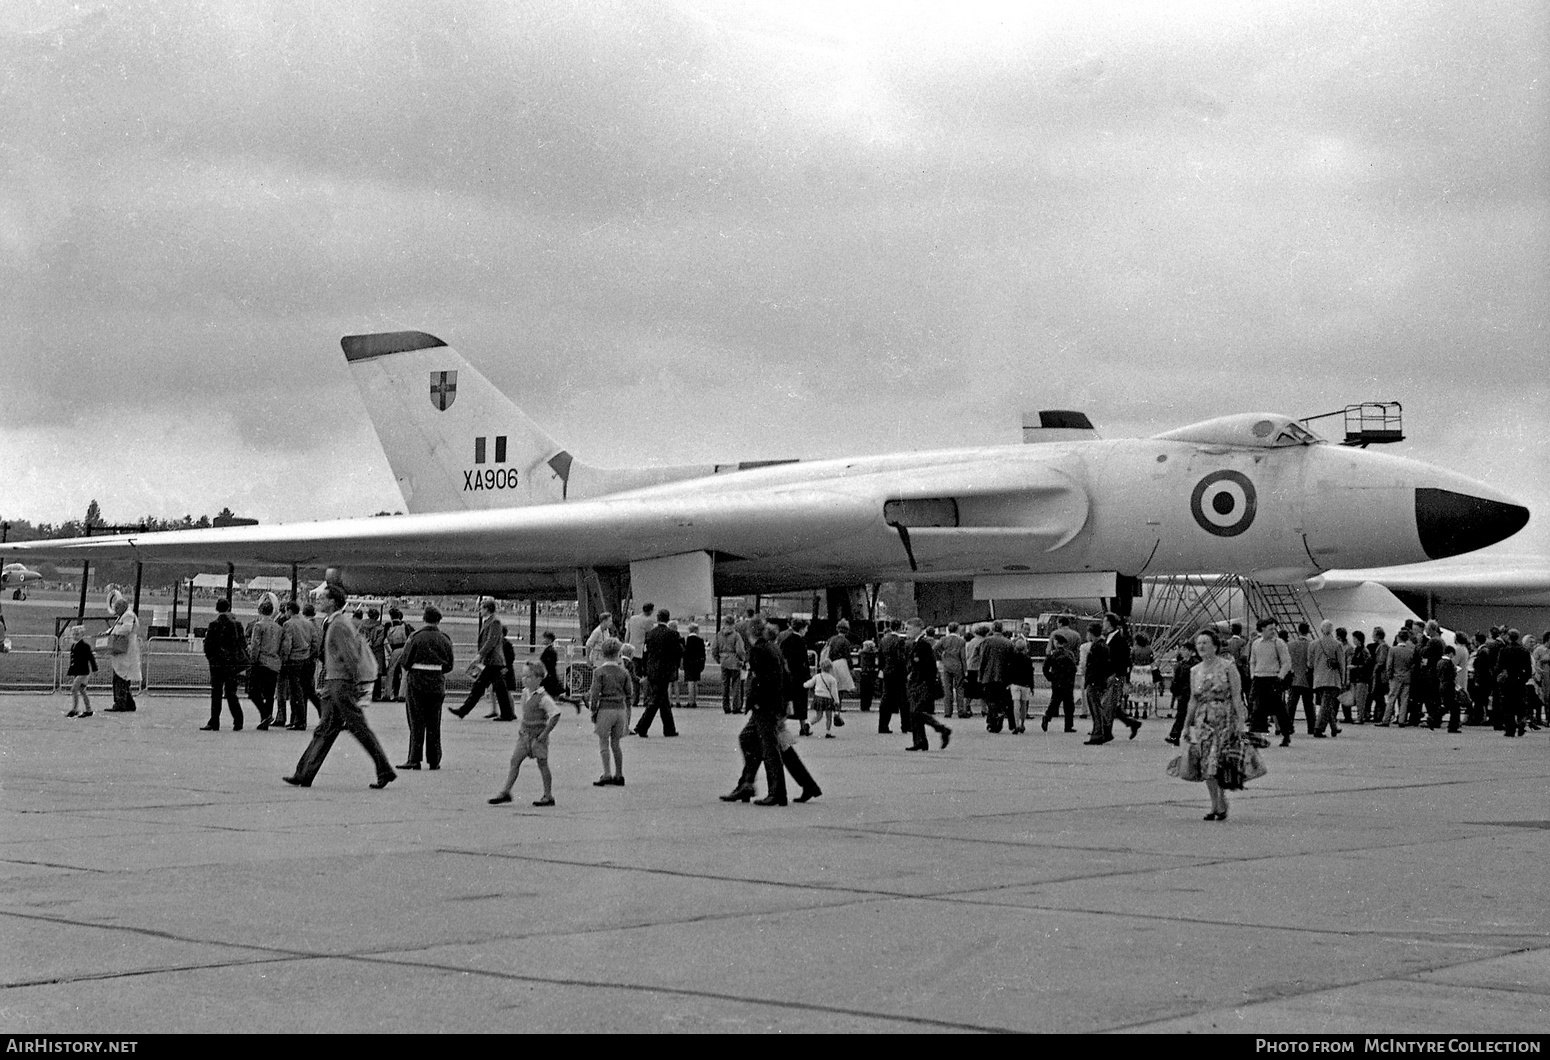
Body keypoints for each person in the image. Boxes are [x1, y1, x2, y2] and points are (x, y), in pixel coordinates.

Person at [284, 584, 397, 790]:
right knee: (325, 729)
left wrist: (354, 684)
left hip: (341, 685)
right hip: (335, 683)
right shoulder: (335, 622)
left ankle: (385, 769)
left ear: (333, 602)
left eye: (323, 598)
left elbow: (351, 657)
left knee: (355, 728)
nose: (319, 601)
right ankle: (304, 773)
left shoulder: (339, 624)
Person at [721, 619, 821, 806]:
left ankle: (773, 792)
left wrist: (756, 702)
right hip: (775, 705)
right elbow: (785, 676)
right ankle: (749, 784)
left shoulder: (759, 650)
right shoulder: (773, 648)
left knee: (768, 749)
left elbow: (761, 680)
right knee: (765, 744)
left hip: (765, 706)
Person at [1181, 628, 1254, 821]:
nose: (1201, 646)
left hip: (1225, 718)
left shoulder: (1228, 667)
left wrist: (1241, 723)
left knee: (1220, 763)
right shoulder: (1194, 671)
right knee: (1207, 764)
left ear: (1215, 646)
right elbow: (1193, 700)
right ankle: (1215, 803)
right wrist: (1186, 726)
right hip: (1203, 721)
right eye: (1199, 643)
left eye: (1205, 642)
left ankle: (1221, 801)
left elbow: (1237, 697)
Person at [487, 661, 563, 806]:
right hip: (524, 735)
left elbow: (555, 714)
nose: (524, 679)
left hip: (538, 737)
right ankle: (506, 791)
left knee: (542, 763)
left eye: (529, 676)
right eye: (523, 676)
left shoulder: (544, 698)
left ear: (539, 679)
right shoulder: (525, 693)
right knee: (515, 761)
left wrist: (545, 733)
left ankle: (548, 795)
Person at [397, 605, 454, 770]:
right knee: (434, 722)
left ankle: (414, 758)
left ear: (424, 618)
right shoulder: (445, 639)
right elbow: (449, 665)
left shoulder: (415, 637)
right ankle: (434, 759)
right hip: (437, 682)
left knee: (416, 722)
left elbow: (405, 660)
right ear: (439, 620)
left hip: (417, 681)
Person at [449, 599, 515, 721]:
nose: (479, 610)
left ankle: (464, 711)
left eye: (481, 608)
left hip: (493, 661)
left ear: (487, 609)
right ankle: (507, 713)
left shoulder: (494, 622)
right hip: (492, 661)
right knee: (495, 688)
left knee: (481, 687)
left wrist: (480, 655)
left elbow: (491, 641)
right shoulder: (490, 621)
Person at [588, 637, 632, 786]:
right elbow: (629, 692)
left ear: (603, 653)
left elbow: (595, 694)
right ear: (618, 652)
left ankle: (606, 773)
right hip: (620, 709)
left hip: (605, 709)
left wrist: (593, 709)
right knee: (616, 743)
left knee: (603, 742)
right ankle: (619, 774)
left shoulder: (599, 672)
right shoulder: (624, 672)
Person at [634, 609, 683, 737]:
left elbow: (645, 653)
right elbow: (678, 652)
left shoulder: (650, 634)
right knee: (657, 699)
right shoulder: (672, 634)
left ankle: (669, 728)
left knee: (663, 700)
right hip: (665, 671)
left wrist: (645, 669)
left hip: (652, 669)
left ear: (657, 618)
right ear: (668, 619)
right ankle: (642, 726)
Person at [905, 617, 951, 751]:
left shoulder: (923, 644)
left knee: (916, 712)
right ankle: (920, 741)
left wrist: (921, 681)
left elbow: (928, 666)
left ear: (917, 628)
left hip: (923, 683)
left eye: (909, 628)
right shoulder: (917, 643)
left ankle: (942, 729)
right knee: (915, 713)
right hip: (917, 682)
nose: (907, 631)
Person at [201, 597, 245, 730]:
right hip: (231, 663)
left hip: (217, 663)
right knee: (231, 693)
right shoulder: (235, 625)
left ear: (217, 609)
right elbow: (240, 643)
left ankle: (215, 721)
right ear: (228, 608)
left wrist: (211, 659)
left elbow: (208, 645)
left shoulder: (213, 625)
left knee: (216, 693)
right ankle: (238, 721)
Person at [1248, 618, 1293, 746]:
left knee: (1278, 709)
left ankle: (1286, 734)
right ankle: (1258, 736)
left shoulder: (1279, 643)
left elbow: (1286, 662)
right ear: (1262, 629)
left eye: (1274, 629)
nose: (1273, 631)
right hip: (1258, 678)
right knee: (1257, 709)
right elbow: (1252, 660)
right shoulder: (1256, 643)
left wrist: (1280, 677)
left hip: (1273, 678)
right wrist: (1253, 674)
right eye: (1270, 629)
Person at [279, 600, 320, 730]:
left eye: (286, 610)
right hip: (306, 659)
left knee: (295, 691)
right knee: (308, 689)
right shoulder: (308, 624)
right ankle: (301, 718)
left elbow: (287, 645)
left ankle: (300, 721)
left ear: (290, 610)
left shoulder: (288, 624)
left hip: (293, 660)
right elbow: (315, 642)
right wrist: (310, 654)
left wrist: (284, 660)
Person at [1101, 613, 1142, 740]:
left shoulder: (1119, 640)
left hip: (1116, 676)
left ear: (1109, 623)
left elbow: (1124, 661)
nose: (1103, 624)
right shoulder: (1109, 638)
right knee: (1112, 705)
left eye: (1104, 621)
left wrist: (1119, 676)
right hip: (1109, 676)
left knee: (1106, 704)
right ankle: (1132, 723)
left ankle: (1107, 732)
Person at [248, 597, 284, 729]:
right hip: (274, 662)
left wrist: (253, 660)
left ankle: (265, 714)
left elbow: (255, 644)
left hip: (262, 661)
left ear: (260, 611)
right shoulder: (278, 628)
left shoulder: (259, 626)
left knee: (253, 691)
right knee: (269, 694)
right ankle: (266, 717)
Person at [104, 595, 142, 713]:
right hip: (121, 650)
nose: (115, 611)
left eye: (116, 608)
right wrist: (106, 633)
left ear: (122, 607)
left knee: (121, 677)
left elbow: (126, 629)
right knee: (121, 677)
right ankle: (129, 704)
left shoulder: (128, 615)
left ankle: (120, 703)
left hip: (126, 650)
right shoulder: (123, 615)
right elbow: (115, 628)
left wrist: (113, 635)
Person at [977, 622, 1014, 734]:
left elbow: (983, 659)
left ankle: (993, 721)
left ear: (992, 629)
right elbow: (1011, 661)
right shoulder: (1008, 643)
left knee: (990, 699)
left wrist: (980, 675)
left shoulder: (987, 641)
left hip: (989, 675)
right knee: (1002, 699)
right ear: (1002, 629)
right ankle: (999, 717)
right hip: (1003, 676)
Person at [778, 617, 812, 737]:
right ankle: (803, 727)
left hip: (789, 675)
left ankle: (778, 725)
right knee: (801, 703)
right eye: (806, 628)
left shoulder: (786, 640)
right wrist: (808, 676)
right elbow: (804, 661)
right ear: (802, 628)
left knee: (788, 701)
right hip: (800, 676)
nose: (806, 631)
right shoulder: (801, 641)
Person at [1310, 619, 1343, 737]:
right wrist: (1343, 680)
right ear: (1332, 630)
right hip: (1332, 679)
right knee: (1326, 704)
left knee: (1326, 704)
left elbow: (1310, 664)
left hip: (1318, 679)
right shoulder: (1337, 644)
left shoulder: (1313, 644)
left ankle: (1334, 728)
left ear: (1321, 630)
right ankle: (1318, 729)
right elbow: (1341, 664)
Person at [878, 619, 910, 735]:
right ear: (900, 627)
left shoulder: (884, 640)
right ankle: (906, 725)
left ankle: (883, 725)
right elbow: (901, 658)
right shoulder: (900, 641)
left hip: (887, 671)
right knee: (903, 699)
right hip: (899, 673)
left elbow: (880, 657)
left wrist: (882, 669)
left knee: (886, 698)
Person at [1042, 633, 1078, 733]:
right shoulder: (1069, 654)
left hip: (1056, 681)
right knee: (1069, 705)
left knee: (1054, 702)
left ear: (1056, 642)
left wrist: (1050, 677)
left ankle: (1047, 717)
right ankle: (1068, 726)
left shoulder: (1052, 654)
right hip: (1068, 682)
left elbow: (1045, 668)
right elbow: (1074, 668)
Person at [1082, 624, 1112, 745]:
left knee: (1095, 707)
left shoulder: (1097, 647)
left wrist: (1089, 679)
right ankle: (1102, 731)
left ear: (1091, 633)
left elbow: (1094, 666)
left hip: (1095, 680)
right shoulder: (1103, 645)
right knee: (1097, 706)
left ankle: (1098, 732)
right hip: (1099, 680)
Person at [1165, 644, 1200, 745]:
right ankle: (1175, 735)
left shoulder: (1195, 664)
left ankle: (1177, 735)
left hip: (1191, 692)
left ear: (1190, 651)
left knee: (1186, 715)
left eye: (1185, 649)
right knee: (1181, 714)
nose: (1182, 651)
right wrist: (1175, 691)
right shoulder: (1181, 664)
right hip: (1183, 693)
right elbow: (1176, 680)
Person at [822, 620, 856, 716]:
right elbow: (848, 656)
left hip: (831, 664)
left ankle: (831, 706)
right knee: (841, 688)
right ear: (847, 630)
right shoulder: (845, 641)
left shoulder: (831, 639)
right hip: (842, 664)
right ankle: (838, 706)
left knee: (833, 686)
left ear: (837, 629)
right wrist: (851, 668)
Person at [713, 615, 746, 714]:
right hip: (734, 660)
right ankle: (736, 706)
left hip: (723, 660)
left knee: (725, 684)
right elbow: (740, 650)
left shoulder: (719, 634)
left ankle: (726, 706)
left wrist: (718, 659)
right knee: (736, 685)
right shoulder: (736, 635)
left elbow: (714, 648)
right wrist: (743, 659)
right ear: (733, 624)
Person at [1382, 630, 1415, 727]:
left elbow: (1389, 665)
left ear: (1398, 638)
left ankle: (1386, 719)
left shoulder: (1393, 650)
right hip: (1407, 677)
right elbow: (1412, 665)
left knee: (1392, 698)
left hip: (1395, 677)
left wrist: (1389, 676)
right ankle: (1402, 720)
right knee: (1404, 699)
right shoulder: (1410, 651)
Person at [936, 622, 968, 720]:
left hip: (947, 665)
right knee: (959, 688)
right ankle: (961, 711)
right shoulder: (961, 641)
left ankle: (947, 711)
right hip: (957, 665)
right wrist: (965, 670)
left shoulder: (944, 639)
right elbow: (963, 657)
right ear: (957, 629)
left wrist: (942, 655)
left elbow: (935, 648)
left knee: (947, 689)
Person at [64, 625, 97, 717]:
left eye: (77, 634)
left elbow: (91, 658)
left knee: (74, 689)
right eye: (73, 634)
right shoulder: (74, 646)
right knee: (82, 690)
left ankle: (74, 709)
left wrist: (94, 669)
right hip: (78, 671)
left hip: (83, 672)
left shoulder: (85, 646)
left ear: (82, 634)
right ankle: (88, 709)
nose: (75, 636)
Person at [383, 607, 413, 700]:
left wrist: (389, 650)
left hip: (394, 649)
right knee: (404, 672)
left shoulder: (388, 625)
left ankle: (387, 694)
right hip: (404, 648)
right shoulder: (405, 625)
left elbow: (384, 638)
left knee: (390, 672)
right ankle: (401, 694)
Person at [806, 660, 841, 737]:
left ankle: (808, 724)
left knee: (818, 716)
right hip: (827, 699)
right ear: (830, 668)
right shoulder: (832, 679)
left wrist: (803, 685)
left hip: (818, 697)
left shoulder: (817, 676)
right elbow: (834, 692)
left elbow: (810, 684)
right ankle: (828, 732)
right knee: (829, 717)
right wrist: (837, 701)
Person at [1008, 636, 1034, 733]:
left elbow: (1009, 671)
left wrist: (1008, 683)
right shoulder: (1028, 659)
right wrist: (1032, 686)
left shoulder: (1012, 658)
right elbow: (1030, 673)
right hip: (1025, 684)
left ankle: (1016, 724)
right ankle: (1022, 724)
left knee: (1015, 703)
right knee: (1024, 704)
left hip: (1015, 683)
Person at [1347, 630, 1374, 726]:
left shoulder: (1363, 651)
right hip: (1357, 678)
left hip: (1361, 678)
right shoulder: (1359, 650)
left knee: (1360, 699)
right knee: (1359, 698)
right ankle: (1361, 715)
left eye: (1354, 638)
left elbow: (1367, 665)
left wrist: (1355, 667)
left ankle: (1360, 716)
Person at [359, 608, 387, 700]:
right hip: (377, 652)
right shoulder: (380, 627)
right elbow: (380, 640)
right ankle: (376, 694)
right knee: (377, 673)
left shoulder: (362, 626)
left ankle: (364, 693)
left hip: (365, 650)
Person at [681, 623, 706, 708]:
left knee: (690, 682)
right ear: (696, 630)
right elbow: (703, 653)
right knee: (695, 682)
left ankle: (690, 701)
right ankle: (694, 700)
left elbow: (685, 653)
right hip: (697, 663)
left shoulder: (687, 640)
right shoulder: (700, 640)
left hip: (689, 664)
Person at [855, 638, 878, 713]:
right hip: (871, 672)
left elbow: (858, 663)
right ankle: (868, 706)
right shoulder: (874, 654)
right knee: (870, 691)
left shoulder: (861, 653)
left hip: (863, 672)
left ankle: (863, 706)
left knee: (863, 691)